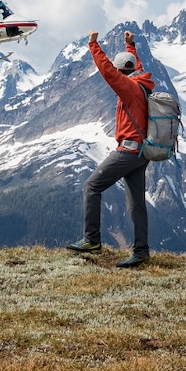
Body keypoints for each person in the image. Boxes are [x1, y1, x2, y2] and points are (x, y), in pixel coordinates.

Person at [67, 29, 158, 267]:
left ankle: (92, 240)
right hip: (142, 153)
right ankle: (141, 252)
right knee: (136, 203)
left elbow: (107, 71)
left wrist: (93, 45)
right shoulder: (142, 84)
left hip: (128, 151)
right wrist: (130, 45)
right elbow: (136, 65)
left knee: (91, 186)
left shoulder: (127, 87)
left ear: (121, 72)